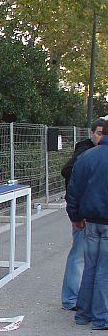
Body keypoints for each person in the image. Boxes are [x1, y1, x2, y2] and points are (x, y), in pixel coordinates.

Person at [60, 118, 105, 310]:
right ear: (92, 133)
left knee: (91, 261)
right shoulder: (84, 152)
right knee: (81, 257)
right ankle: (71, 299)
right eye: (98, 133)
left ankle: (85, 304)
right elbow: (68, 172)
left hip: (88, 213)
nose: (101, 137)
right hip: (85, 215)